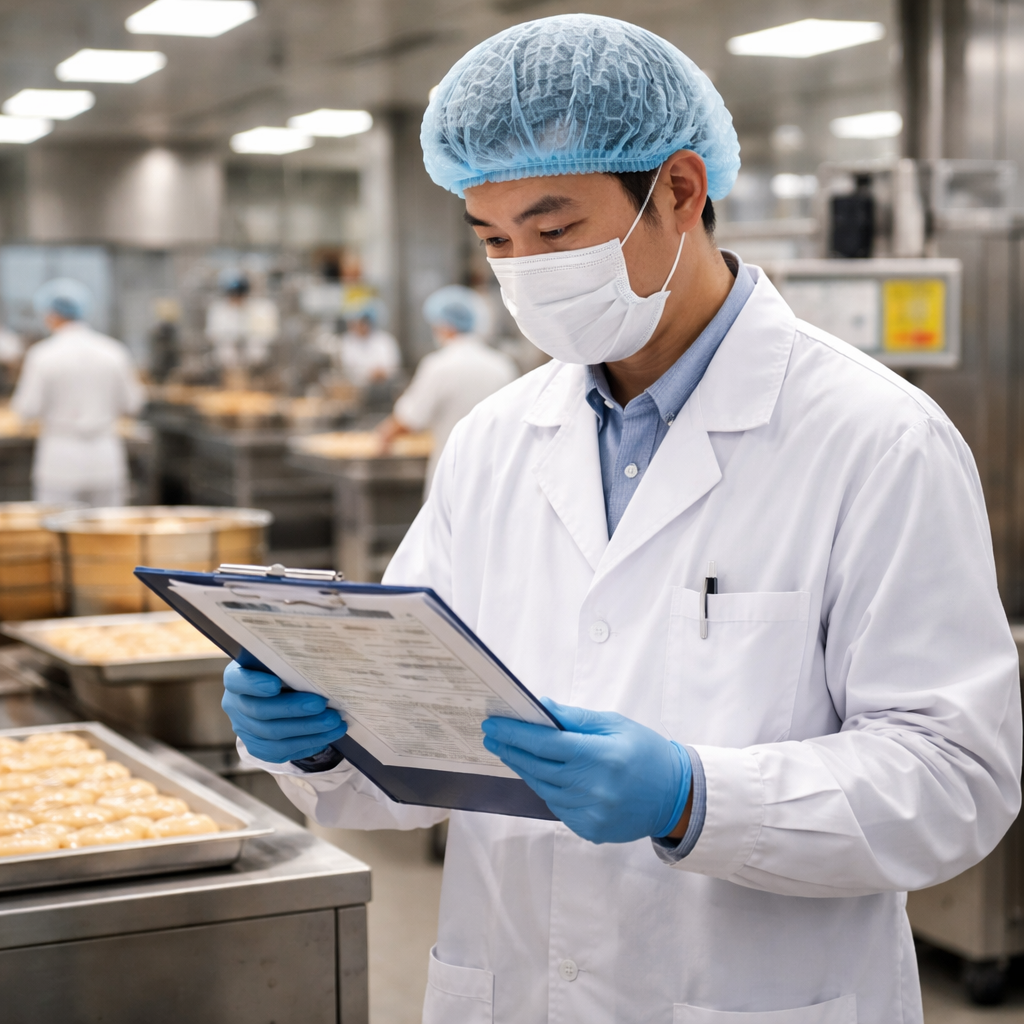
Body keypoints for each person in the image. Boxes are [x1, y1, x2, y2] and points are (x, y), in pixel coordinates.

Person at [219, 16, 1021, 1023]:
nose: (523, 270)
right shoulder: (495, 441)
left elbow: (954, 781)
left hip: (752, 993)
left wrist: (695, 796)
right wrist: (331, 740)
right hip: (509, 983)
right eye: (495, 240)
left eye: (554, 232)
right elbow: (426, 765)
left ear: (680, 190)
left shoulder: (874, 438)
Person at [13, 278, 145, 506]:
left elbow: (26, 409)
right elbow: (133, 403)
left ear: (51, 314)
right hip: (105, 458)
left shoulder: (42, 355)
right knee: (108, 534)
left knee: (58, 532)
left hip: (60, 459)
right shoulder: (113, 351)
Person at [376, 284, 517, 492]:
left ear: (445, 326)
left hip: (452, 474)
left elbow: (409, 418)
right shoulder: (502, 365)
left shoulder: (439, 366)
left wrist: (383, 437)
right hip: (497, 475)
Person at [205, 270, 279, 375]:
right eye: (233, 295)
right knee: (226, 351)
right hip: (227, 362)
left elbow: (269, 334)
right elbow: (212, 334)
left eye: (240, 294)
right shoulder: (218, 310)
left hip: (255, 363)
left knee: (256, 350)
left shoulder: (260, 309)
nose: (237, 298)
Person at [317, 304, 401, 387]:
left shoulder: (385, 341)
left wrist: (380, 373)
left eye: (363, 322)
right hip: (357, 389)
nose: (360, 326)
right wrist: (369, 374)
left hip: (385, 387)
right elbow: (348, 368)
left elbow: (393, 366)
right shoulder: (348, 342)